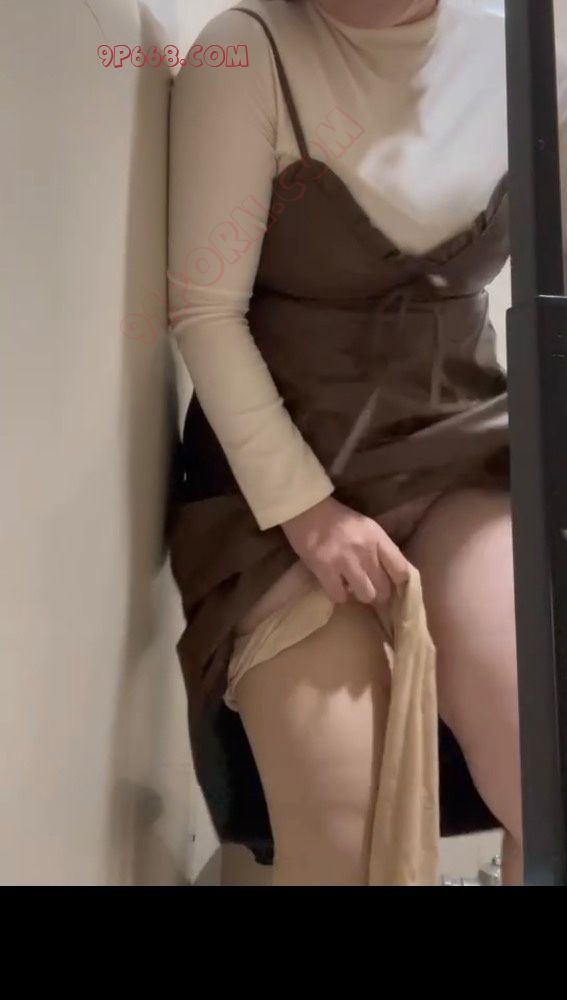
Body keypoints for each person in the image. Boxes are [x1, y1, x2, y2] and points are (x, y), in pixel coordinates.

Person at [168, 0, 567, 885]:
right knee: (345, 837)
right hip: (280, 479)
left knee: (543, 778)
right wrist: (308, 512)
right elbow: (202, 312)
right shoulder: (246, 50)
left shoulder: (522, 46)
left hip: (462, 446)